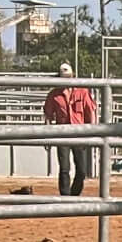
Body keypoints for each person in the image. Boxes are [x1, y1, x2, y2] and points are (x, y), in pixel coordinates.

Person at [44, 64, 99, 196]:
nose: (67, 80)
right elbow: (48, 116)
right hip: (62, 133)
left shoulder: (82, 91)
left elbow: (91, 112)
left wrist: (92, 132)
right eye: (64, 77)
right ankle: (65, 196)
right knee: (64, 168)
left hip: (79, 133)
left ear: (73, 76)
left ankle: (74, 195)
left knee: (81, 170)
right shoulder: (54, 94)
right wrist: (46, 135)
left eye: (68, 77)